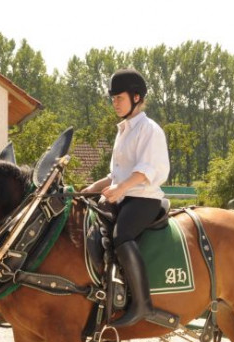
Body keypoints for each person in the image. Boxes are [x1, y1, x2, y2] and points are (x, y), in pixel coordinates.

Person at [82, 68, 170, 327]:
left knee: (122, 236)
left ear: (136, 97)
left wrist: (120, 189)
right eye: (113, 98)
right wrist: (91, 188)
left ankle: (142, 304)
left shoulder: (149, 129)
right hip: (123, 197)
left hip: (144, 199)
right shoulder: (123, 131)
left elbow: (146, 171)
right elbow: (115, 175)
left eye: (119, 98)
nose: (115, 103)